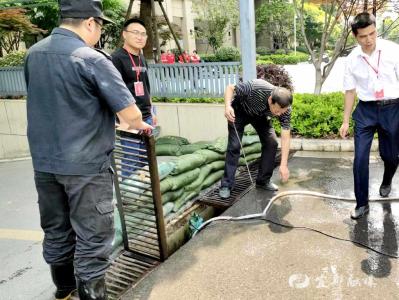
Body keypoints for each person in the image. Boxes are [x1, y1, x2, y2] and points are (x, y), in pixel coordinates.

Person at [24, 1, 152, 299]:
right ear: (91, 23)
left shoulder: (34, 54)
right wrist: (138, 123)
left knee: (56, 228)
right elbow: (131, 116)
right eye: (101, 26)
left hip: (44, 163)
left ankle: (64, 290)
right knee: (93, 236)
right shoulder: (92, 59)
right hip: (85, 166)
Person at [339, 12, 399, 219]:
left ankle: (387, 179)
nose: (369, 40)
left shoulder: (393, 51)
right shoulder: (352, 59)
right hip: (365, 110)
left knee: (390, 156)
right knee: (360, 159)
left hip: (392, 108)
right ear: (356, 36)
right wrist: (346, 121)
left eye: (372, 33)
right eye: (364, 36)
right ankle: (361, 203)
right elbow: (349, 90)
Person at [219, 79, 293, 199]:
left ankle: (263, 181)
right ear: (270, 100)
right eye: (277, 111)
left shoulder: (285, 109)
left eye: (282, 112)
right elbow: (230, 88)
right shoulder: (256, 87)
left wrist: (283, 165)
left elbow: (285, 136)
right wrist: (227, 106)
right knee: (234, 146)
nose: (279, 114)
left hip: (260, 116)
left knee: (272, 142)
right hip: (239, 112)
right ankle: (226, 185)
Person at [111, 18, 157, 175]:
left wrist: (152, 111)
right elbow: (113, 92)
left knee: (146, 160)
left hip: (146, 117)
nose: (140, 37)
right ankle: (129, 197)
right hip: (129, 119)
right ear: (125, 34)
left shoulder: (142, 57)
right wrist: (122, 120)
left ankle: (145, 195)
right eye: (136, 33)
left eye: (143, 34)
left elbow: (145, 86)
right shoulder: (116, 58)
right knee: (130, 161)